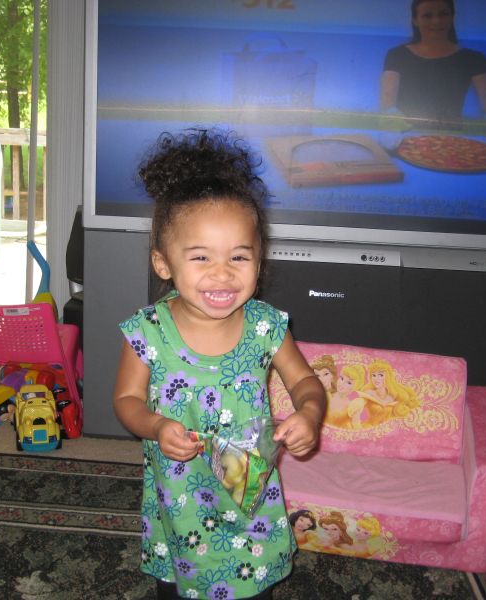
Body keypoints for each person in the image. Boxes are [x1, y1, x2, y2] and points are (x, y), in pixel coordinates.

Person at [113, 128, 326, 600]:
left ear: (259, 262)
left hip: (250, 490)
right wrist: (154, 426)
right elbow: (126, 400)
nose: (222, 273)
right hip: (181, 494)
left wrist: (310, 413)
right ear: (163, 263)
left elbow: (305, 383)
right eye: (201, 257)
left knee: (253, 582)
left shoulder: (266, 326)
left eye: (239, 257)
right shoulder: (148, 331)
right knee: (179, 583)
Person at [379, 0, 486, 160]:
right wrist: (391, 126)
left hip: (453, 141)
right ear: (415, 20)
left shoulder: (474, 58)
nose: (436, 21)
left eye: (443, 14)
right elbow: (388, 97)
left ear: (452, 17)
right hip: (405, 141)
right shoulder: (397, 55)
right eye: (427, 15)